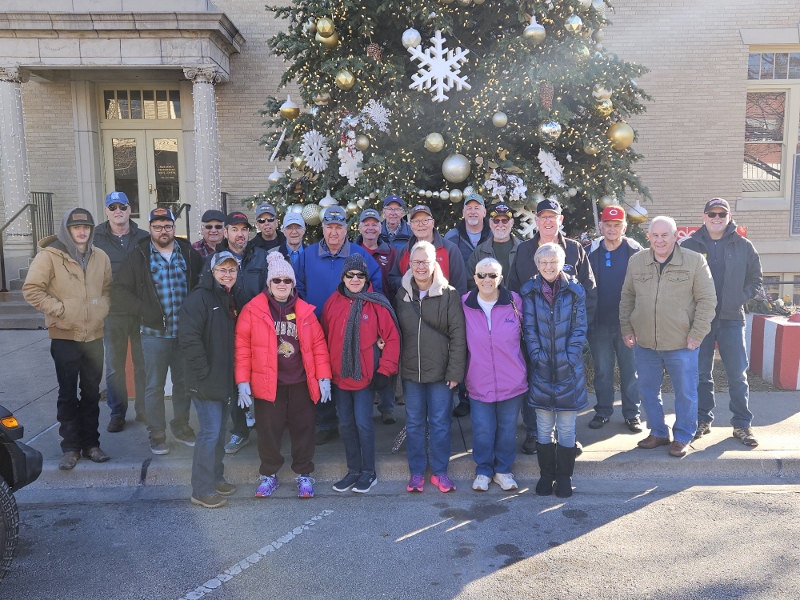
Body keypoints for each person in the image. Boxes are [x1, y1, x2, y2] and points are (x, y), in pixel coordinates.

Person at [234, 252, 332, 499]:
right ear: (269, 283)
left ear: (293, 284)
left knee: (304, 430)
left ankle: (304, 474)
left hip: (300, 383)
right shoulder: (252, 310)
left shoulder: (305, 311)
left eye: (287, 280)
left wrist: (324, 377)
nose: (281, 284)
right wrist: (242, 381)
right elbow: (242, 349)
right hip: (269, 384)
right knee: (268, 432)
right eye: (276, 280)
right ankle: (269, 474)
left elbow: (318, 346)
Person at [619, 216, 717, 458]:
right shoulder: (637, 261)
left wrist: (697, 333)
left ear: (675, 236)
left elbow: (707, 300)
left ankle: (683, 436)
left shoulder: (694, 261)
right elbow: (627, 296)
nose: (660, 240)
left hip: (682, 342)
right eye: (655, 235)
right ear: (648, 237)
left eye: (665, 235)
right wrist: (626, 327)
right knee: (647, 390)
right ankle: (658, 432)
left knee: (685, 392)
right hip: (645, 342)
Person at [22, 208, 112, 470]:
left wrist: (102, 308)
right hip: (65, 337)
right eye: (76, 227)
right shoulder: (49, 256)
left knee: (92, 393)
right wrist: (60, 310)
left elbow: (107, 289)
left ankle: (91, 445)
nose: (82, 232)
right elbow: (32, 289)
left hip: (93, 336)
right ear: (67, 230)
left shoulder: (100, 256)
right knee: (67, 394)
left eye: (86, 227)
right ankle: (71, 448)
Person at [507, 198, 596, 455]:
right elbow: (514, 291)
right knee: (535, 380)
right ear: (536, 221)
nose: (548, 221)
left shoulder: (575, 250)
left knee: (567, 381)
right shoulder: (524, 250)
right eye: (543, 217)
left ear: (560, 220)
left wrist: (580, 331)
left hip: (568, 336)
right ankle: (534, 432)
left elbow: (588, 290)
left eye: (552, 217)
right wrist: (523, 332)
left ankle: (567, 436)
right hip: (533, 335)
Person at [113, 207, 204, 455]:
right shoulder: (138, 255)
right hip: (154, 334)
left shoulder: (189, 253)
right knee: (154, 385)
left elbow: (201, 285)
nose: (163, 231)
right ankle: (156, 432)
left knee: (183, 383)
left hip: (184, 334)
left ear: (174, 228)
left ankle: (181, 426)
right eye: (157, 227)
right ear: (150, 229)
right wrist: (143, 310)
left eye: (167, 226)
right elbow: (119, 290)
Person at [295, 205, 383, 445]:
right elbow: (298, 288)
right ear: (323, 229)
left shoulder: (359, 254)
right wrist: (307, 315)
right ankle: (326, 423)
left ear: (346, 229)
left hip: (353, 329)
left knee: (349, 373)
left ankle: (353, 422)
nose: (334, 232)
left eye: (338, 227)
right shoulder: (307, 255)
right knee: (320, 372)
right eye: (329, 227)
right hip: (317, 328)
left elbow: (375, 285)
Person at [681, 198, 763, 446]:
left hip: (731, 319)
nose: (717, 218)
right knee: (700, 374)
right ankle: (702, 420)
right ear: (704, 216)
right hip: (700, 320)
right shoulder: (689, 245)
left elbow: (756, 278)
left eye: (721, 214)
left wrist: (740, 297)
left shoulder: (743, 245)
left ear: (729, 217)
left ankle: (742, 424)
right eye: (712, 214)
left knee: (737, 374)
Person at [321, 254, 400, 494]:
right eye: (350, 275)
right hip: (340, 377)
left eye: (360, 275)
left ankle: (368, 472)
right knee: (345, 424)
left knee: (363, 423)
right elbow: (324, 337)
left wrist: (384, 371)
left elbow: (392, 339)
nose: (355, 279)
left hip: (365, 378)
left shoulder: (377, 304)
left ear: (366, 278)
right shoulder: (332, 303)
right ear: (343, 277)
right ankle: (353, 470)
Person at [395, 241, 466, 493]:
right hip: (411, 371)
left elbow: (458, 335)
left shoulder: (449, 294)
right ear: (409, 264)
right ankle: (416, 472)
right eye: (416, 262)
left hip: (441, 373)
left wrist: (455, 372)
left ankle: (439, 472)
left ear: (434, 263)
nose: (421, 267)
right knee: (414, 422)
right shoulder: (402, 294)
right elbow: (395, 331)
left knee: (439, 423)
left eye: (425, 262)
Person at [521, 243, 588, 498]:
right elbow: (529, 329)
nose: (548, 266)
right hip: (541, 368)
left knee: (567, 428)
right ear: (537, 265)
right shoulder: (529, 291)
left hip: (568, 368)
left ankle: (564, 477)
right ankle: (546, 475)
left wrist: (569, 358)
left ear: (561, 264)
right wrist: (537, 357)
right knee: (544, 426)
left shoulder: (575, 291)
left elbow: (580, 328)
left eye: (553, 262)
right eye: (544, 262)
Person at [179, 251, 240, 509]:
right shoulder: (199, 298)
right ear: (211, 272)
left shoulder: (228, 298)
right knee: (209, 433)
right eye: (222, 270)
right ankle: (201, 489)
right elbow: (189, 339)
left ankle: (215, 478)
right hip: (205, 380)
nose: (227, 274)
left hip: (223, 379)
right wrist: (203, 373)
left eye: (232, 270)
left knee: (218, 432)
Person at [462, 258, 528, 492]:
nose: (487, 280)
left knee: (507, 430)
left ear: (500, 278)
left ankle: (503, 470)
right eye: (482, 275)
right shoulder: (464, 304)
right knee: (483, 429)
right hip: (478, 380)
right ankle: (483, 470)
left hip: (512, 380)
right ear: (475, 278)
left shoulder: (515, 302)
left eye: (492, 275)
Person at [212, 211, 269, 454]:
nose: (240, 234)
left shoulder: (261, 256)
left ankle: (268, 430)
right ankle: (240, 431)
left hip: (260, 327)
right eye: (235, 229)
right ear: (226, 232)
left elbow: (271, 289)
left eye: (244, 229)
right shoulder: (216, 259)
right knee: (236, 382)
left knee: (264, 377)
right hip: (229, 328)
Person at [92, 191, 149, 432]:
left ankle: (144, 409)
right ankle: (117, 413)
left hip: (140, 311)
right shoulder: (95, 237)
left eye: (122, 207)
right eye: (113, 207)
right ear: (106, 211)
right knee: (115, 366)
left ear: (129, 210)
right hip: (112, 313)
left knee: (142, 363)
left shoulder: (144, 236)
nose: (118, 211)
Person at [586, 205, 643, 432]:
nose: (612, 229)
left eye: (616, 225)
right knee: (603, 371)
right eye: (608, 225)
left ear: (624, 227)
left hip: (628, 325)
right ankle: (603, 412)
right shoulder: (590, 252)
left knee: (630, 371)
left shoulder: (636, 251)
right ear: (601, 226)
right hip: (599, 323)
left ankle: (632, 414)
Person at [356, 207, 399, 424]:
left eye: (374, 224)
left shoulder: (390, 252)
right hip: (359, 313)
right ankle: (363, 405)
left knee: (385, 358)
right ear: (359, 227)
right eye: (367, 224)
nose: (371, 227)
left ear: (380, 228)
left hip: (384, 312)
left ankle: (387, 407)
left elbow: (395, 280)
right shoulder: (353, 251)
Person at [388, 204, 468, 296]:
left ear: (433, 222)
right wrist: (408, 282)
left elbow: (460, 287)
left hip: (443, 304)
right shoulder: (404, 251)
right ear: (411, 225)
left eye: (425, 220)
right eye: (416, 221)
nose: (420, 225)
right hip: (411, 304)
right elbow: (392, 279)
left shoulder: (450, 249)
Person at [465, 204, 521, 289]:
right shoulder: (479, 252)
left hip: (519, 297)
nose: (500, 225)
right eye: (496, 221)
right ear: (490, 223)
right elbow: (470, 281)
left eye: (505, 221)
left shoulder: (523, 249)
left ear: (512, 223)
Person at [445, 192, 491, 266]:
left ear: (484, 212)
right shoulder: (451, 237)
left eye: (477, 208)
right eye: (469, 208)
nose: (473, 212)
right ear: (463, 212)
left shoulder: (493, 236)